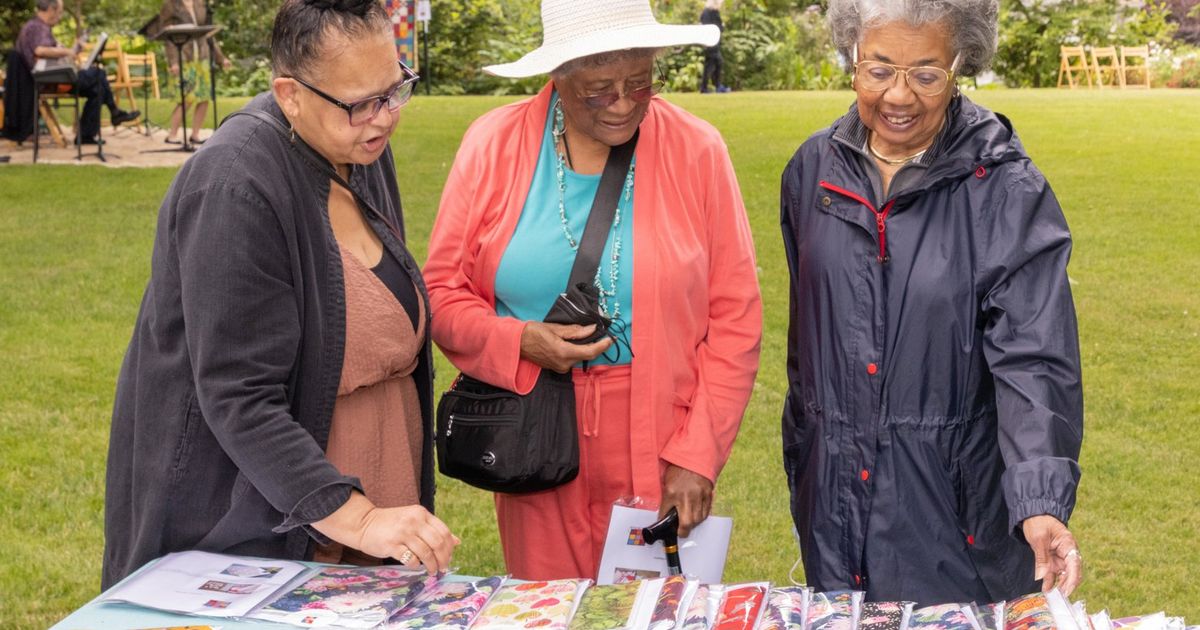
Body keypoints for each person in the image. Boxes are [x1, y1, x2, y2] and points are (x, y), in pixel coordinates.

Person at [102, 0, 457, 589]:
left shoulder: (358, 146)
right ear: (290, 95)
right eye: (361, 103)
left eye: (395, 90)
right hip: (248, 526)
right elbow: (239, 397)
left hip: (363, 501)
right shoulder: (232, 185)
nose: (385, 117)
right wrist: (359, 517)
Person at [424, 0, 762, 582]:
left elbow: (736, 316)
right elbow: (440, 291)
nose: (626, 103)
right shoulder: (492, 144)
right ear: (558, 77)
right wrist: (519, 341)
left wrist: (697, 455)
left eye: (640, 83)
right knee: (548, 608)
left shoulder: (698, 150)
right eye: (600, 90)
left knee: (654, 614)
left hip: (662, 431)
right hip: (535, 422)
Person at [780, 0, 1084, 605]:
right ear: (851, 62)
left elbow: (1035, 357)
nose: (898, 96)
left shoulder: (1006, 188)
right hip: (831, 504)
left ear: (959, 64)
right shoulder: (811, 172)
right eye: (879, 69)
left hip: (952, 511)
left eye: (925, 73)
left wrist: (1040, 497)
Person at [14, 0, 139, 144]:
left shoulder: (38, 27)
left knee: (97, 88)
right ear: (50, 9)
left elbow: (49, 51)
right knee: (98, 74)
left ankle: (87, 135)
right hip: (51, 80)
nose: (60, 17)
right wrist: (68, 51)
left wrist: (73, 51)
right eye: (60, 12)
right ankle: (113, 112)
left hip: (52, 77)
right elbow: (40, 50)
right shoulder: (37, 26)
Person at [155, 0, 231, 145]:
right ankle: (172, 135)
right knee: (187, 98)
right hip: (183, 55)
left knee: (204, 98)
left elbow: (208, 33)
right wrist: (174, 61)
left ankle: (195, 135)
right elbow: (167, 38)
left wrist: (221, 58)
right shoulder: (170, 5)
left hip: (202, 57)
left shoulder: (200, 3)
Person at [699, 0, 729, 93]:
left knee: (715, 64)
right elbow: (714, 27)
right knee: (712, 65)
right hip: (711, 43)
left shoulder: (710, 12)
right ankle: (709, 87)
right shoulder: (709, 13)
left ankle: (715, 86)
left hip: (712, 42)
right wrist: (721, 26)